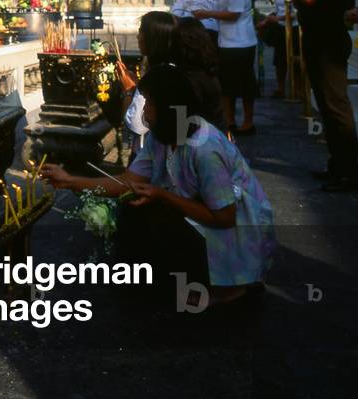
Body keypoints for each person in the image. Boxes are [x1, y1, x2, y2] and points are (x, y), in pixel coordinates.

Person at [41, 64, 276, 308]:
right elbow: (127, 182)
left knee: (159, 216)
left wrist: (163, 195)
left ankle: (232, 288)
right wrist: (70, 180)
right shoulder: (161, 136)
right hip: (201, 216)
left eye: (150, 104)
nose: (146, 113)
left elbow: (225, 217)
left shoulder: (205, 149)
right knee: (133, 210)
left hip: (236, 231)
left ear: (170, 107)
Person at [283, 0, 358, 191]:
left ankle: (349, 172)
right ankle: (337, 165)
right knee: (326, 106)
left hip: (328, 41)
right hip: (317, 39)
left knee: (335, 105)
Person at [194, 0, 258, 137]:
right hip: (227, 42)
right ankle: (229, 121)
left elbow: (234, 14)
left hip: (241, 42)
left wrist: (207, 14)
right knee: (227, 84)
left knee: (245, 85)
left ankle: (248, 121)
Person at [123, 11, 176, 152]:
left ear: (153, 39)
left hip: (154, 153)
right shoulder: (175, 70)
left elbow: (136, 124)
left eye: (141, 32)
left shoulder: (158, 76)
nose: (138, 37)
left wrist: (130, 90)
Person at [170, 17, 228, 134]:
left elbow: (181, 131)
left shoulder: (186, 81)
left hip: (198, 144)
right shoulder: (208, 73)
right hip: (215, 138)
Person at [256, 0, 298, 99]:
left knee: (295, 60)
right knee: (279, 61)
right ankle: (281, 88)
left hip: (294, 27)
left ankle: (298, 89)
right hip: (280, 28)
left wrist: (277, 18)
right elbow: (278, 9)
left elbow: (296, 13)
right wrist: (268, 19)